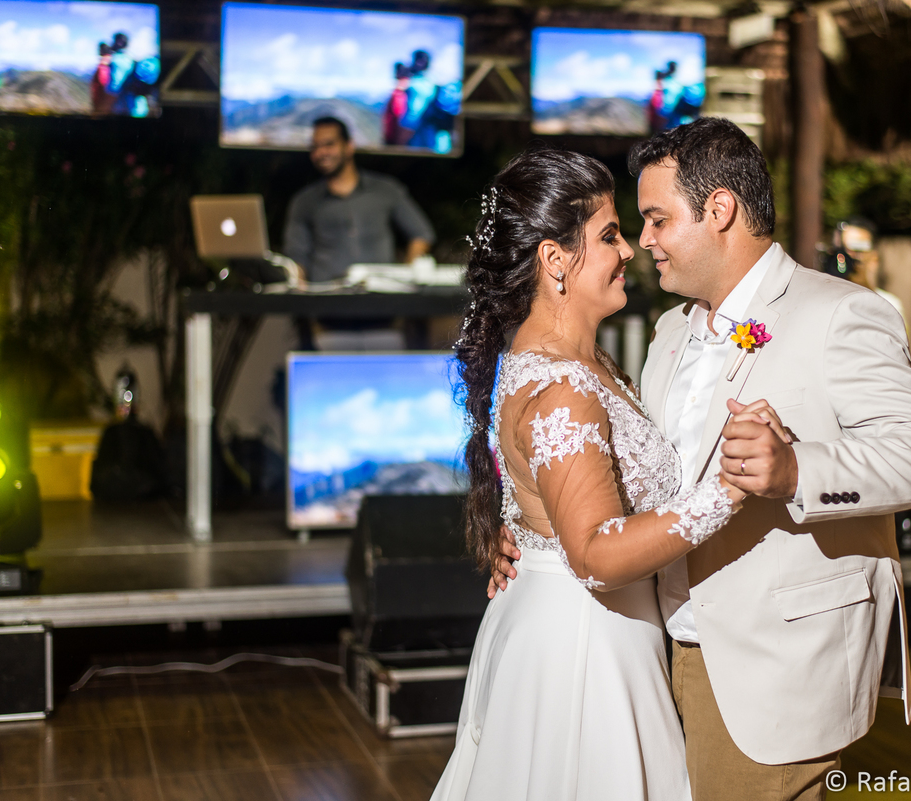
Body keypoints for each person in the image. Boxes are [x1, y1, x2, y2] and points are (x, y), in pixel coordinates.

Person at [492, 117, 911, 800]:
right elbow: (616, 472)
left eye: (656, 219)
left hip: (773, 668)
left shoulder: (838, 313)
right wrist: (534, 529)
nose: (642, 241)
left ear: (719, 210)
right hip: (649, 660)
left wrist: (797, 469)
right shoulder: (666, 331)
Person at [430, 147, 783, 801]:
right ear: (555, 260)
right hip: (582, 649)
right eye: (610, 235)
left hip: (595, 625)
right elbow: (592, 552)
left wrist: (528, 538)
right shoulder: (563, 385)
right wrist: (728, 488)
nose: (630, 250)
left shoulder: (579, 363)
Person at [283, 116, 435, 283]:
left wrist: (407, 279)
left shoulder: (385, 189)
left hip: (379, 298)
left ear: (349, 146)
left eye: (329, 144)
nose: (321, 153)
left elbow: (421, 233)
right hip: (327, 299)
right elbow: (296, 256)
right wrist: (301, 296)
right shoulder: (305, 200)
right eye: (315, 147)